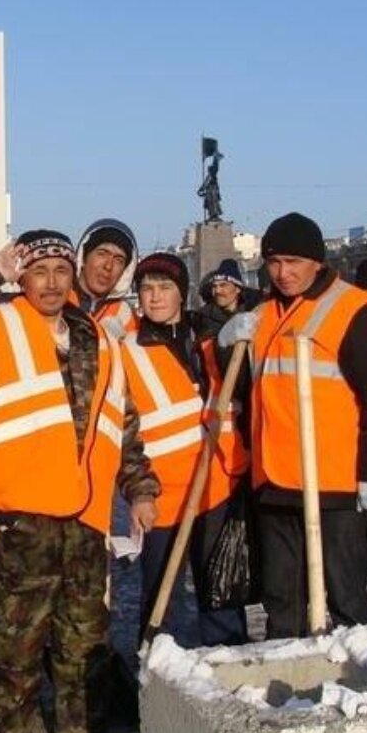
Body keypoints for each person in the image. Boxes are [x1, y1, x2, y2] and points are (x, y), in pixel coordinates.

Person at [0, 230, 159, 733]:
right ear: (22, 277)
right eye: (38, 271)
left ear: (71, 275)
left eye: (60, 270)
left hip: (86, 516)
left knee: (82, 639)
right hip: (23, 516)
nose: (51, 282)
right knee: (16, 642)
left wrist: (139, 489)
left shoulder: (100, 342)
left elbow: (124, 425)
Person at [219, 212, 367, 639]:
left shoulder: (351, 308)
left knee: (344, 590)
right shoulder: (261, 313)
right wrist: (226, 346)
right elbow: (245, 386)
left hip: (333, 479)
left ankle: (362, 669)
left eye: (293, 262)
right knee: (282, 592)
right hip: (276, 476)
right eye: (275, 262)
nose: (283, 273)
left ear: (316, 262)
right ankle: (289, 672)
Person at [122, 252, 250, 648]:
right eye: (146, 289)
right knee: (162, 597)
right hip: (162, 494)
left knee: (221, 587)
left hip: (219, 485)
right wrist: (138, 493)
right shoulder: (127, 350)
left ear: (182, 293)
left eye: (164, 288)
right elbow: (122, 432)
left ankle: (229, 666)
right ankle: (160, 678)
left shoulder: (209, 338)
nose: (155, 297)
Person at [74, 218, 140, 337]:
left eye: (119, 260)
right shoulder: (57, 302)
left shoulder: (126, 317)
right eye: (102, 253)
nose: (108, 266)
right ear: (83, 258)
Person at [195, 257, 262, 343]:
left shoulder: (255, 312)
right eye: (215, 286)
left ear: (238, 289)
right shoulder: (204, 319)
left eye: (223, 285)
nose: (217, 291)